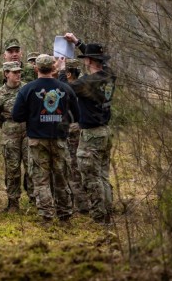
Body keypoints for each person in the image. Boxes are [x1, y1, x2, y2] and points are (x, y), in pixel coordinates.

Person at [12, 54, 78, 226]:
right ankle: (65, 216)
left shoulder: (27, 89)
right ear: (54, 68)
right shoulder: (65, 88)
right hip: (60, 140)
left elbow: (16, 116)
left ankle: (46, 216)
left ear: (36, 68)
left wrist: (33, 115)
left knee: (41, 180)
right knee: (61, 177)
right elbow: (77, 114)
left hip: (36, 140)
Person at [61, 33, 116, 224]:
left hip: (92, 134)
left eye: (86, 59)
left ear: (89, 61)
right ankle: (107, 211)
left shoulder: (87, 83)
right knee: (102, 174)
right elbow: (95, 61)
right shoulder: (108, 75)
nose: (84, 62)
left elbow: (66, 89)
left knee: (91, 177)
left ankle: (100, 217)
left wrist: (61, 69)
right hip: (105, 131)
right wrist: (78, 43)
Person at [0, 61, 34, 212]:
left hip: (29, 130)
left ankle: (34, 199)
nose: (18, 74)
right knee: (12, 168)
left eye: (19, 72)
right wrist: (4, 129)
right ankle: (13, 202)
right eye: (14, 72)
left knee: (31, 166)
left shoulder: (28, 88)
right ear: (6, 74)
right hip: (10, 131)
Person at [59, 58, 89, 213]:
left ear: (69, 74)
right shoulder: (85, 85)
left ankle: (82, 203)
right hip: (82, 128)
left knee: (73, 167)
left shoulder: (70, 89)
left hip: (73, 130)